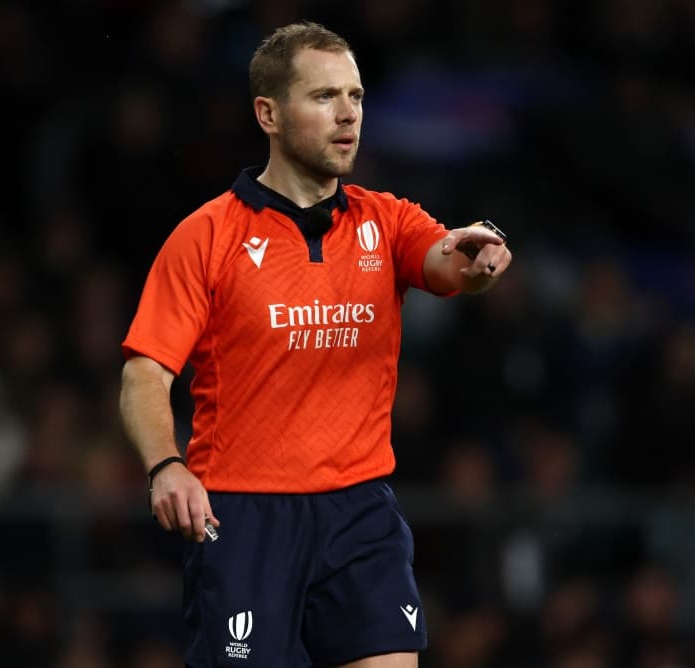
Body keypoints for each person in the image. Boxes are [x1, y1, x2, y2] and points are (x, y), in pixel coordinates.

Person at [118, 20, 512, 668]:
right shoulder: (206, 236)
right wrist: (166, 465)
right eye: (324, 96)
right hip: (244, 515)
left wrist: (475, 252)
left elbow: (446, 260)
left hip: (359, 506)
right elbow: (144, 373)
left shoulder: (386, 221)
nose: (347, 115)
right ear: (268, 113)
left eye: (355, 96)